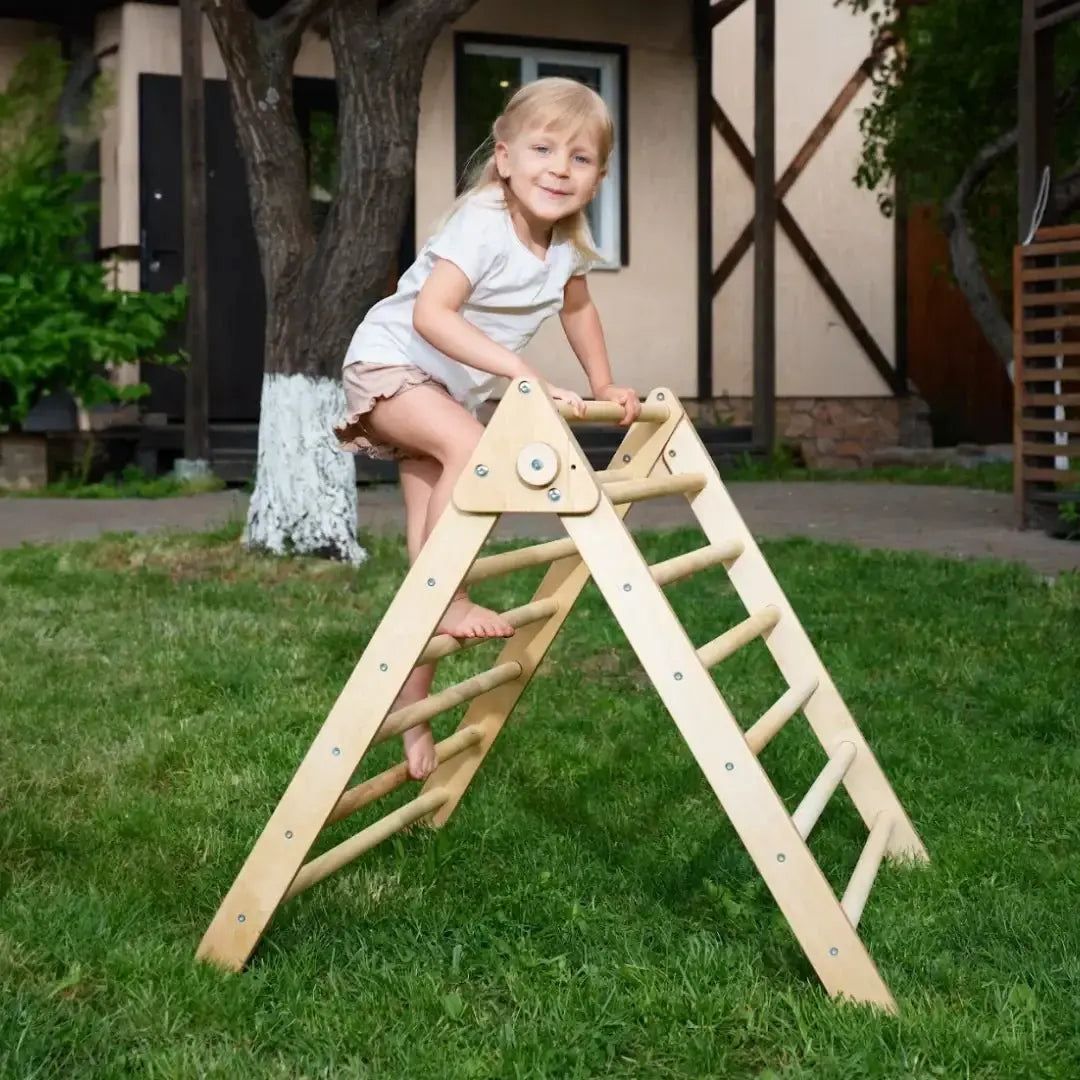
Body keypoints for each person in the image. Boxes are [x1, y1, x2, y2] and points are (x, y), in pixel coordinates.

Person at [333, 77, 641, 780]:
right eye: (542, 149)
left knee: (428, 565)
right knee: (473, 455)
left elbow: (579, 313)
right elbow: (431, 316)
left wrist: (602, 384)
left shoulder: (564, 250)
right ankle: (457, 599)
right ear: (503, 157)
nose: (560, 168)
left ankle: (411, 718)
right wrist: (522, 374)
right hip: (393, 366)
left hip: (445, 390)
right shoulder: (483, 222)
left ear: (598, 179)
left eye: (581, 158)